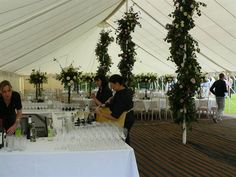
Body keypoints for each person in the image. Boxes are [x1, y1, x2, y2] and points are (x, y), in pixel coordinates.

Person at [95, 74, 135, 145]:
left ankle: (124, 151)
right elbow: (113, 99)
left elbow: (114, 116)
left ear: (117, 84)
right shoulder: (124, 90)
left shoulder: (122, 96)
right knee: (124, 135)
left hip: (125, 119)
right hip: (129, 116)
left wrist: (100, 114)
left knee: (122, 136)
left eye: (112, 85)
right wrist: (108, 102)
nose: (111, 88)